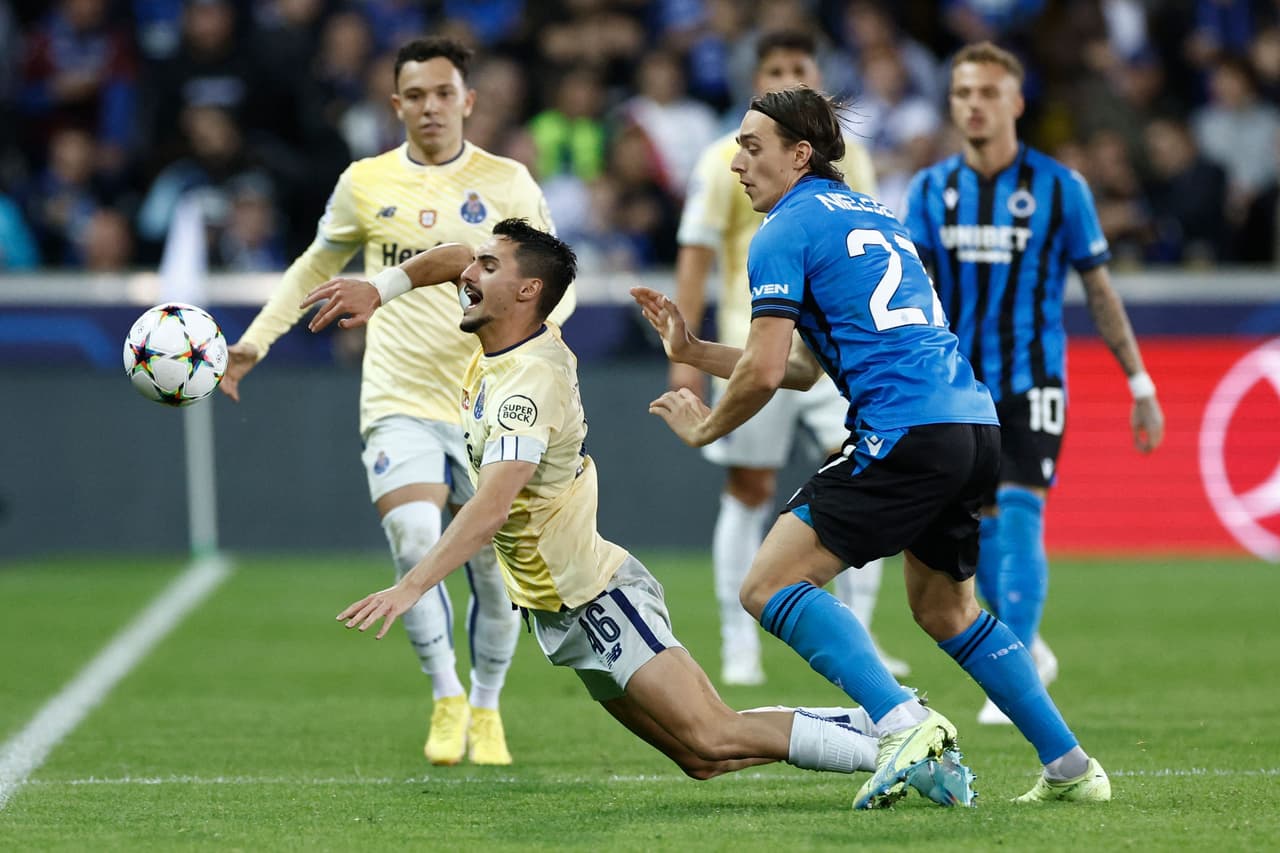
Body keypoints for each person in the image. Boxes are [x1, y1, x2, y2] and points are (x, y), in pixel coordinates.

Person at [307, 218, 974, 809]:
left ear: (527, 291)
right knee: (702, 758)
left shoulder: (527, 384)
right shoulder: (509, 336)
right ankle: (891, 732)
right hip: (555, 608)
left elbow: (492, 506)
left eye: (488, 266)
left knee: (715, 731)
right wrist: (383, 287)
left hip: (596, 595)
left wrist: (412, 584)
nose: (467, 274)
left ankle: (906, 739)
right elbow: (454, 256)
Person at [634, 85, 1111, 806]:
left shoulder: (783, 231)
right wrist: (693, 349)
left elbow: (765, 372)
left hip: (905, 430)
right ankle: (1071, 767)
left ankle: (903, 723)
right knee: (947, 611)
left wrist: (704, 426)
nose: (737, 164)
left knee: (768, 585)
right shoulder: (872, 215)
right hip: (970, 425)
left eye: (752, 147)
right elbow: (802, 368)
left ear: (800, 154)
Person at [220, 37, 572, 767]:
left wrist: (529, 359)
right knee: (415, 538)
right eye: (416, 95)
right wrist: (255, 341)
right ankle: (446, 694)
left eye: (443, 93)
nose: (431, 107)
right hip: (397, 394)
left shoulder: (509, 183)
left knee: (494, 574)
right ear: (396, 105)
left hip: (486, 402)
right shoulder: (365, 182)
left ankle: (487, 705)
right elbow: (314, 267)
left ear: (468, 100)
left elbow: (554, 288)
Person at [902, 42, 1164, 725]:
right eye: (963, 93)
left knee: (1019, 508)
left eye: (988, 92)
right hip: (957, 386)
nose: (974, 105)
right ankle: (1029, 649)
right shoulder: (929, 190)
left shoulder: (1059, 188)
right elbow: (910, 291)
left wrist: (1139, 382)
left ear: (1016, 103)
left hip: (1031, 379)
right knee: (976, 525)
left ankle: (1013, 670)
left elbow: (1099, 290)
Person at [672, 28, 906, 687]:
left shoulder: (851, 160)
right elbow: (696, 254)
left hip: (831, 348)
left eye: (797, 67)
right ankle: (738, 642)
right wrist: (686, 355)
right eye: (773, 69)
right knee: (750, 488)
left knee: (859, 474)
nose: (786, 78)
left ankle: (859, 631)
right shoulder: (723, 159)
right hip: (753, 341)